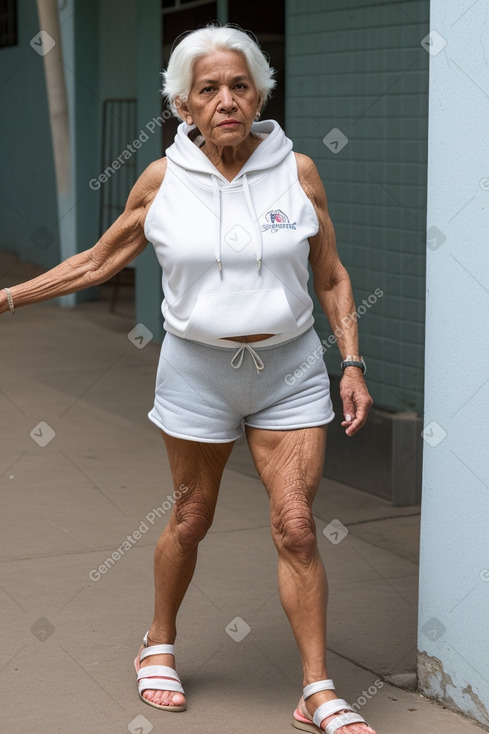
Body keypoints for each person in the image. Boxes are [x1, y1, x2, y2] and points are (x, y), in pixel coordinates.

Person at [1, 24, 375, 734]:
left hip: (290, 370)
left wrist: (350, 361)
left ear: (259, 92)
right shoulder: (162, 180)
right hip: (197, 372)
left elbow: (329, 274)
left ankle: (317, 690)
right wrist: (9, 297)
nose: (226, 100)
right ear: (182, 104)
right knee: (190, 517)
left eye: (239, 85)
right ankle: (158, 641)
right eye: (208, 89)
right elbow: (95, 263)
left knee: (295, 527)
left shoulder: (296, 171)